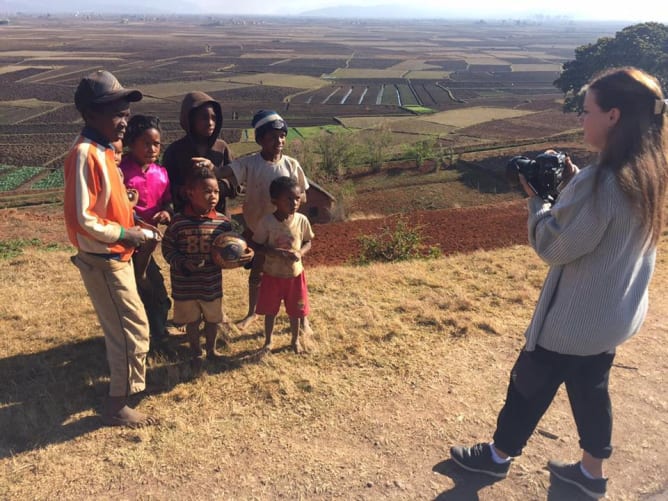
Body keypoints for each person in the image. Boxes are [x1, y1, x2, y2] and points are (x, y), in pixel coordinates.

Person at [449, 66, 668, 499]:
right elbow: (604, 229)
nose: (580, 119)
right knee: (591, 390)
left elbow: (553, 245)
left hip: (572, 323)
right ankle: (591, 471)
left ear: (614, 116)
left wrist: (539, 201)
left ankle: (497, 457)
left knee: (527, 385)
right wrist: (571, 188)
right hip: (612, 318)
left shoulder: (601, 182)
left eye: (586, 111)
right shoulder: (649, 172)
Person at [64, 69, 158, 427]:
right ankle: (118, 404)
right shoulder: (86, 153)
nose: (125, 120)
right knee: (128, 330)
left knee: (127, 327)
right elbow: (81, 218)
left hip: (114, 255)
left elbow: (98, 205)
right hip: (105, 259)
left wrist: (126, 205)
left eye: (126, 112)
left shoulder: (102, 151)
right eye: (117, 113)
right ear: (90, 115)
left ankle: (123, 392)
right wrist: (125, 233)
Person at [217, 110, 310, 332]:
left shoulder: (291, 164)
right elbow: (225, 171)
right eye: (271, 137)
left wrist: (289, 208)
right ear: (260, 140)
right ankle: (253, 313)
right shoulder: (249, 163)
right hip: (257, 227)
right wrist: (208, 169)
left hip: (287, 229)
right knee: (258, 268)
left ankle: (302, 317)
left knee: (294, 271)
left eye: (281, 136)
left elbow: (303, 194)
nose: (278, 141)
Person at [161, 167, 248, 373]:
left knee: (212, 319)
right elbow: (167, 249)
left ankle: (211, 350)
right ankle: (196, 352)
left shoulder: (222, 222)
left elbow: (233, 247)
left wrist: (245, 255)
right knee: (192, 321)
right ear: (190, 193)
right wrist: (181, 262)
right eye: (207, 191)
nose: (213, 196)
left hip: (211, 283)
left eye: (216, 192)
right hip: (185, 284)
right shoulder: (178, 222)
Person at [120, 114, 173, 352]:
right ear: (132, 142)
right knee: (136, 291)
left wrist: (166, 213)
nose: (152, 149)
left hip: (148, 247)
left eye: (156, 144)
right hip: (124, 244)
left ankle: (158, 334)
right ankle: (139, 339)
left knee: (156, 291)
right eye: (146, 143)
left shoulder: (161, 174)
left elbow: (167, 203)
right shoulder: (120, 172)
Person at [253, 176, 314, 354]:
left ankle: (294, 341)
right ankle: (268, 342)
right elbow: (256, 245)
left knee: (296, 311)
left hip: (294, 275)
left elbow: (308, 242)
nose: (294, 202)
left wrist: (299, 253)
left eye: (297, 198)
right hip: (272, 274)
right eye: (288, 198)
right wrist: (272, 252)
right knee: (270, 311)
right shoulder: (267, 222)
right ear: (274, 200)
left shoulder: (301, 220)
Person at [162, 91, 236, 215]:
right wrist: (185, 191)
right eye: (204, 118)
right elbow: (165, 188)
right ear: (190, 120)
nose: (210, 123)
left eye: (214, 118)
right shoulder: (175, 151)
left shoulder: (221, 148)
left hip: (218, 222)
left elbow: (236, 183)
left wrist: (216, 187)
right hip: (185, 222)